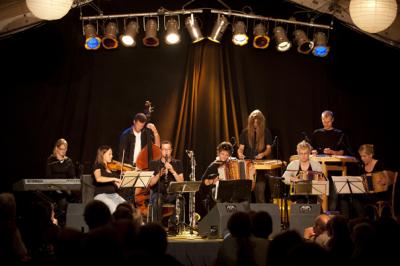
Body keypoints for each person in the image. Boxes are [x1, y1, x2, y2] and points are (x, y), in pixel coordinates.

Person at [237, 109, 273, 203]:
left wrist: (263, 154)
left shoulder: (266, 132)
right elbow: (240, 148)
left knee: (260, 194)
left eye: (257, 122)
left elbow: (269, 149)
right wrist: (240, 154)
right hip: (247, 167)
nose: (255, 124)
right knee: (246, 197)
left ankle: (261, 216)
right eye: (254, 122)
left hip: (260, 168)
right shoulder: (245, 132)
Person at [148, 140, 184, 228]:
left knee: (181, 199)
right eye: (164, 149)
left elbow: (181, 183)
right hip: (158, 193)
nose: (166, 151)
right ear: (160, 150)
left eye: (168, 149)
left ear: (171, 150)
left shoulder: (177, 163)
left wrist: (173, 171)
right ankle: (157, 227)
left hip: (172, 194)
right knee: (157, 199)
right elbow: (151, 183)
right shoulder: (154, 163)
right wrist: (159, 174)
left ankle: (173, 225)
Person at [44, 138, 77, 226]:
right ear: (57, 148)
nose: (63, 151)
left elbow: (72, 176)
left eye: (65, 149)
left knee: (66, 199)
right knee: (61, 200)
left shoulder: (68, 161)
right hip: (53, 187)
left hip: (65, 188)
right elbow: (48, 176)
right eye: (61, 149)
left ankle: (63, 224)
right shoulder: (51, 160)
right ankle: (56, 223)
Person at [200, 141, 236, 214]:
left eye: (227, 154)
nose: (224, 156)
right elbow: (203, 182)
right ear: (218, 153)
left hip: (229, 195)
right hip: (215, 195)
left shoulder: (232, 164)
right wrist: (212, 181)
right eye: (222, 154)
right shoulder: (213, 166)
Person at [92, 145, 126, 213]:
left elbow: (113, 183)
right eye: (109, 154)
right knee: (114, 209)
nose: (112, 156)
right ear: (103, 154)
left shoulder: (112, 168)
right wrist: (114, 179)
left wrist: (117, 184)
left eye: (112, 154)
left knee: (128, 208)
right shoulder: (98, 165)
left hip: (114, 195)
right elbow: (98, 178)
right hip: (101, 195)